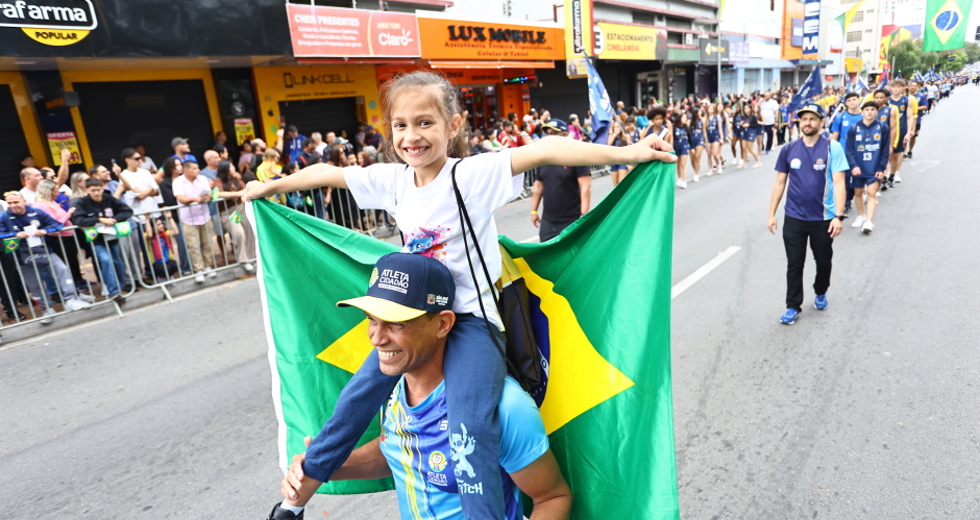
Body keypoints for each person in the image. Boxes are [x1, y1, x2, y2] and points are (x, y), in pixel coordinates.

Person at [245, 70, 674, 520]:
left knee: (467, 428)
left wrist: (626, 152)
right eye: (401, 125)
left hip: (470, 324)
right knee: (355, 398)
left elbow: (545, 149)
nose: (412, 136)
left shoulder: (469, 175)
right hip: (415, 321)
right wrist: (272, 187)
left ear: (453, 126)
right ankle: (292, 505)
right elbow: (330, 173)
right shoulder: (394, 181)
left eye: (425, 122)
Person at [272, 253, 573, 520]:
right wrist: (319, 466)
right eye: (371, 320)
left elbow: (552, 498)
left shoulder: (506, 407)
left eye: (396, 324)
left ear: (443, 324)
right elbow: (405, 454)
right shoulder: (391, 389)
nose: (377, 338)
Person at [767, 103, 847, 325]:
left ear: (822, 122)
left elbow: (839, 183)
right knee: (794, 263)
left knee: (823, 261)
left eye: (813, 119)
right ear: (799, 122)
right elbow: (780, 183)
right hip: (794, 217)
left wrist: (838, 216)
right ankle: (793, 306)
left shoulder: (833, 148)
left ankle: (821, 291)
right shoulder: (789, 149)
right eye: (804, 119)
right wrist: (772, 214)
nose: (808, 123)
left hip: (823, 218)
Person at [0, 192, 92, 323]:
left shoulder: (37, 212)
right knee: (34, 285)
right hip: (22, 257)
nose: (13, 206)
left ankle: (71, 300)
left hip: (44, 251)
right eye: (9, 203)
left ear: (24, 200)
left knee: (62, 269)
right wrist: (15, 234)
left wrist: (45, 230)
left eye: (16, 202)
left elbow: (57, 224)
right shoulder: (4, 217)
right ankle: (47, 310)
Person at [71, 177, 134, 301]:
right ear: (87, 190)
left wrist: (115, 219)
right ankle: (113, 291)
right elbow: (77, 220)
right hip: (96, 238)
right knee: (105, 260)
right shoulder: (82, 202)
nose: (96, 193)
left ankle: (119, 287)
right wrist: (99, 220)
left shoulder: (109, 199)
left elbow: (127, 211)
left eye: (99, 190)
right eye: (93, 190)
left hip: (112, 236)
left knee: (117, 261)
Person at [530, 120, 592, 242]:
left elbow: (586, 187)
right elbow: (538, 186)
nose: (549, 136)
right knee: (545, 258)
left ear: (565, 134)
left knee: (571, 258)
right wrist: (533, 211)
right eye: (547, 133)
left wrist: (583, 216)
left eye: (553, 132)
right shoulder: (544, 158)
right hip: (548, 221)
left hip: (571, 220)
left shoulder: (576, 155)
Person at [32, 179, 93, 298]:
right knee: (66, 268)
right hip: (58, 240)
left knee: (73, 266)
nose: (58, 194)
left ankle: (75, 292)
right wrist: (69, 213)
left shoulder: (52, 202)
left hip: (68, 238)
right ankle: (71, 294)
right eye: (55, 191)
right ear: (47, 191)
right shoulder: (41, 206)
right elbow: (55, 224)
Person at [845, 101, 890, 235]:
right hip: (858, 167)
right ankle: (861, 215)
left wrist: (882, 168)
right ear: (862, 111)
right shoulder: (854, 128)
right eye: (867, 109)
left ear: (876, 112)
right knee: (858, 193)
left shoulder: (883, 128)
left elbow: (884, 150)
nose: (870, 112)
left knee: (871, 192)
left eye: (872, 109)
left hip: (874, 167)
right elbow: (849, 150)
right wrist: (853, 166)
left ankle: (869, 221)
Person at [171, 161, 217, 283]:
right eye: (194, 169)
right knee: (193, 246)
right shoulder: (178, 181)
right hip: (188, 219)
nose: (198, 170)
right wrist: (194, 199)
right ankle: (199, 270)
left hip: (204, 215)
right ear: (186, 170)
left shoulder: (202, 179)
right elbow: (180, 198)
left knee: (207, 242)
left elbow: (208, 194)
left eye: (197, 168)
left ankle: (208, 266)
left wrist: (207, 197)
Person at [119, 147, 161, 280]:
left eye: (140, 158)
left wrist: (145, 192)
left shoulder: (145, 172)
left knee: (159, 244)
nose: (140, 161)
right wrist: (148, 190)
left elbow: (156, 191)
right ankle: (150, 272)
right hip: (139, 217)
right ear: (127, 160)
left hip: (154, 213)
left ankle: (162, 269)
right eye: (137, 159)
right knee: (145, 247)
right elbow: (136, 196)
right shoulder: (124, 176)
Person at [214, 160, 255, 273]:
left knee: (249, 231)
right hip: (229, 213)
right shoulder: (218, 181)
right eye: (231, 166)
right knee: (239, 233)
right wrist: (238, 194)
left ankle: (252, 258)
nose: (233, 168)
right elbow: (218, 194)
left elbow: (246, 188)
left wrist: (241, 191)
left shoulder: (236, 178)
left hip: (240, 209)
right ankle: (244, 260)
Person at [829, 93, 865, 214]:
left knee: (857, 179)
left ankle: (853, 196)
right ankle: (845, 202)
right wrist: (831, 151)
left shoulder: (864, 116)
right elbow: (835, 135)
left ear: (858, 100)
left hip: (860, 153)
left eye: (854, 99)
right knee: (843, 178)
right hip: (843, 152)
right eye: (849, 100)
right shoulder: (840, 117)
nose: (852, 102)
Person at [158, 157, 193, 275]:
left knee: (193, 241)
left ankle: (196, 264)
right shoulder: (165, 184)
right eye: (177, 165)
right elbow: (169, 201)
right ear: (171, 168)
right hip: (175, 218)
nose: (180, 166)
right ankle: (186, 267)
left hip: (190, 215)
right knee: (182, 242)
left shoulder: (186, 180)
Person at [885, 79, 915, 186]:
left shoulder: (907, 100)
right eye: (894, 87)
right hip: (888, 130)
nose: (896, 89)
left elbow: (909, 117)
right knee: (888, 153)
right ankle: (887, 172)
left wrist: (908, 132)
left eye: (898, 87)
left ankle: (895, 172)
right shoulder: (886, 100)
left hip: (901, 130)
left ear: (903, 88)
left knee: (898, 153)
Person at [907, 80, 928, 159]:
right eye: (911, 85)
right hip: (905, 119)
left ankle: (910, 150)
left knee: (913, 136)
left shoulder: (921, 96)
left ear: (918, 87)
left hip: (916, 119)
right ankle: (904, 151)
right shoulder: (905, 96)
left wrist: (914, 108)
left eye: (914, 85)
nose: (912, 87)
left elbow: (925, 106)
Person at [607, 120, 631, 186]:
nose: (616, 128)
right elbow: (608, 144)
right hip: (614, 161)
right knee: (615, 184)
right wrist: (614, 134)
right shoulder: (612, 136)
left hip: (623, 161)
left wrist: (627, 139)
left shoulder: (625, 136)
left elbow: (631, 146)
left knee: (621, 183)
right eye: (614, 127)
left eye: (618, 126)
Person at [672, 112, 691, 189]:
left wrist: (692, 148)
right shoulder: (674, 128)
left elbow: (690, 138)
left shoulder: (686, 127)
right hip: (676, 147)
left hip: (684, 147)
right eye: (683, 117)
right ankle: (679, 178)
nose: (685, 119)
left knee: (683, 164)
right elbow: (672, 139)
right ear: (679, 119)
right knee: (678, 164)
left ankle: (684, 181)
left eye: (686, 118)